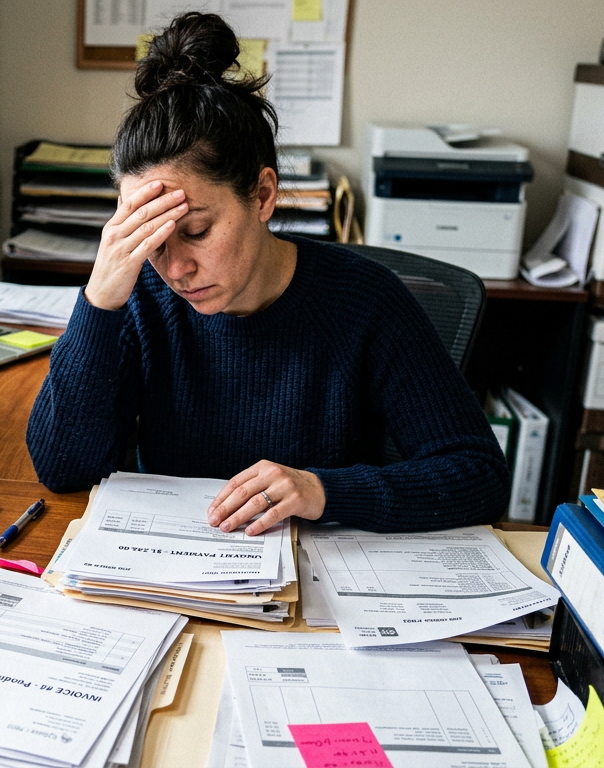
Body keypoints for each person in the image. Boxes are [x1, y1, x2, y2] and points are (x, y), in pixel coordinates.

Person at [25, 12, 510, 534]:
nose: (177, 269)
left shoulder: (366, 300)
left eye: (197, 231)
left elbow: (478, 475)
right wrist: (98, 301)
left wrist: (324, 490)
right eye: (152, 242)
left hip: (318, 584)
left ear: (262, 195)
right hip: (171, 582)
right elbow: (62, 470)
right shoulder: (138, 296)